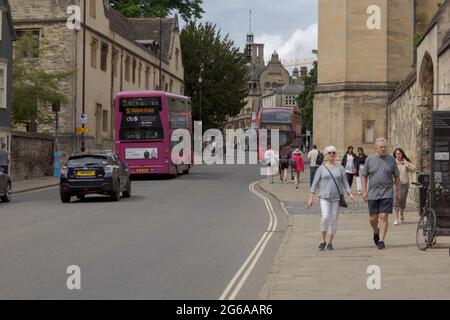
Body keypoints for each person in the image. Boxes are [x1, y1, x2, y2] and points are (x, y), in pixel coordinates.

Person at [308, 146, 355, 251]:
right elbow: (314, 184)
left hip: (336, 198)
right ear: (325, 155)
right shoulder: (321, 169)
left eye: (334, 153)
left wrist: (350, 193)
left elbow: (345, 183)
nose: (332, 155)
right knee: (325, 217)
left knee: (333, 220)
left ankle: (329, 242)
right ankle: (323, 240)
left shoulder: (340, 168)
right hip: (324, 197)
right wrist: (311, 198)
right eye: (329, 153)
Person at [362, 138, 401, 250]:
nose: (384, 149)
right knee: (372, 218)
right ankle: (375, 230)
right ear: (376, 148)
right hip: (373, 193)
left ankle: (382, 240)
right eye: (381, 147)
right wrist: (364, 191)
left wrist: (398, 192)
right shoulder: (369, 159)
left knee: (383, 216)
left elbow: (397, 177)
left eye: (385, 147)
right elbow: (364, 176)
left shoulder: (391, 160)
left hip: (387, 192)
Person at [392, 148, 416, 226]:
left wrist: (406, 164)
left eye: (399, 153)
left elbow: (414, 169)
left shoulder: (405, 162)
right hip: (395, 185)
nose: (398, 155)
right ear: (395, 155)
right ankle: (396, 219)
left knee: (402, 201)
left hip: (404, 185)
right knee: (396, 201)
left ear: (402, 154)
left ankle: (401, 215)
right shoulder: (393, 163)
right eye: (396, 154)